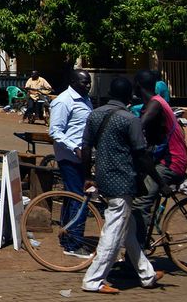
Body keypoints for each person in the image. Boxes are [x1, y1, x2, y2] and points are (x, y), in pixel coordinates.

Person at [80, 76, 163, 294]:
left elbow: (86, 148)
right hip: (123, 181)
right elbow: (141, 154)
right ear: (129, 97)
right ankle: (93, 280)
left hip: (102, 178)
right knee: (114, 233)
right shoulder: (130, 119)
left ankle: (147, 274)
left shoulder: (94, 114)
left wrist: (87, 175)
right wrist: (159, 181)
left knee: (128, 230)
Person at [132, 69, 187, 245]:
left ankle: (137, 257)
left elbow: (137, 129)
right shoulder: (157, 101)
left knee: (140, 204)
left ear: (138, 86)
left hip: (171, 162)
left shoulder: (154, 105)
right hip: (167, 157)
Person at [48, 69, 93, 257]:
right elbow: (55, 131)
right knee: (78, 198)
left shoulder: (85, 100)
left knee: (71, 198)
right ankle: (74, 244)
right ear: (74, 82)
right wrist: (75, 147)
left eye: (89, 82)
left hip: (82, 157)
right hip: (70, 157)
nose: (88, 86)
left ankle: (67, 236)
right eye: (84, 82)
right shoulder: (64, 101)